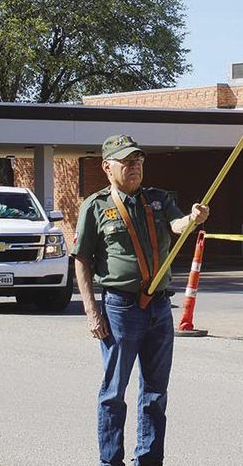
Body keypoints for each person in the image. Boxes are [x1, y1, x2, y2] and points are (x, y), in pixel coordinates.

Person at [72, 134, 210, 466]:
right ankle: (111, 461)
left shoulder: (158, 199)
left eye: (138, 161)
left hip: (160, 307)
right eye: (126, 162)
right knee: (113, 393)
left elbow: (178, 225)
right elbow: (82, 260)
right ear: (107, 167)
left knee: (155, 394)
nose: (134, 167)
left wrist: (192, 219)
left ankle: (148, 461)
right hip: (120, 308)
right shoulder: (96, 206)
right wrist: (92, 312)